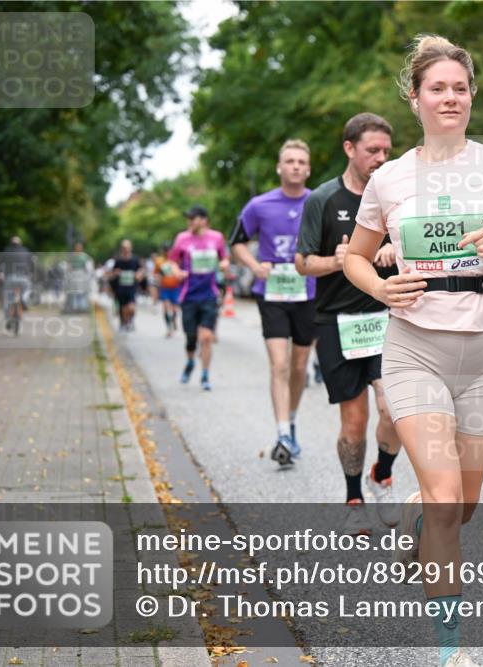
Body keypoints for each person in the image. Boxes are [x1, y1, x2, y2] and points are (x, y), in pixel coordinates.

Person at [344, 35, 483, 667]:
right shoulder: (388, 178)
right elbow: (355, 259)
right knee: (447, 500)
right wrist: (384, 286)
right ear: (414, 99)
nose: (450, 97)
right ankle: (450, 651)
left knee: (462, 507)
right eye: (437, 88)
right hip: (415, 348)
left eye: (460, 88)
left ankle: (420, 516)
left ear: (473, 96)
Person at [296, 116, 405, 534]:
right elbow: (302, 261)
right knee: (355, 421)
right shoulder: (323, 199)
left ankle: (384, 475)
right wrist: (338, 261)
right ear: (349, 149)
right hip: (336, 322)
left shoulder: (396, 198)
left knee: (393, 409)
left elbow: (418, 246)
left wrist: (396, 247)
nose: (380, 158)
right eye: (371, 151)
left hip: (386, 317)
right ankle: (353, 497)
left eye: (385, 151)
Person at [230, 139, 316, 464]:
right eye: (289, 161)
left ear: (307, 169)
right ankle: (281, 433)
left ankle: (290, 420)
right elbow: (237, 242)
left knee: (298, 366)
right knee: (279, 364)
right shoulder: (259, 205)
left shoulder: (318, 202)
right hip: (273, 295)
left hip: (309, 293)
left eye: (300, 162)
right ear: (279, 168)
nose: (295, 166)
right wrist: (254, 267)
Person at [169, 205, 229, 391]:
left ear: (204, 219)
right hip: (188, 294)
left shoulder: (216, 237)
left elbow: (224, 258)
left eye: (193, 218)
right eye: (188, 218)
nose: (189, 222)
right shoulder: (182, 238)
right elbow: (172, 262)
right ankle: (190, 363)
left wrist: (224, 265)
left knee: (207, 337)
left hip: (209, 294)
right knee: (191, 337)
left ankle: (205, 375)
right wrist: (177, 272)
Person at [0, 236, 36, 333]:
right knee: (27, 290)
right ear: (20, 243)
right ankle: (24, 298)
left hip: (10, 279)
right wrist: (31, 274)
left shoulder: (6, 251)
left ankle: (8, 318)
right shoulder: (26, 251)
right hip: (23, 279)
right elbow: (32, 266)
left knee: (7, 300)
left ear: (11, 243)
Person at [111, 239, 143, 331]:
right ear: (121, 249)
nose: (126, 249)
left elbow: (141, 270)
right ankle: (125, 323)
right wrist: (116, 273)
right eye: (124, 248)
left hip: (131, 287)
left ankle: (130, 320)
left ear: (131, 248)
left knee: (132, 308)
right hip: (121, 288)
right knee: (123, 308)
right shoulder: (118, 260)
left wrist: (139, 274)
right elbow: (113, 272)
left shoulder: (135, 259)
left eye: (128, 247)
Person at [154, 243, 182, 337]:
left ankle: (173, 320)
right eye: (166, 251)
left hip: (175, 287)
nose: (168, 253)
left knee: (175, 309)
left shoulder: (176, 260)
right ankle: (169, 328)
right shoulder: (159, 261)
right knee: (165, 307)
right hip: (165, 288)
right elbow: (156, 273)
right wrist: (158, 279)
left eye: (169, 250)